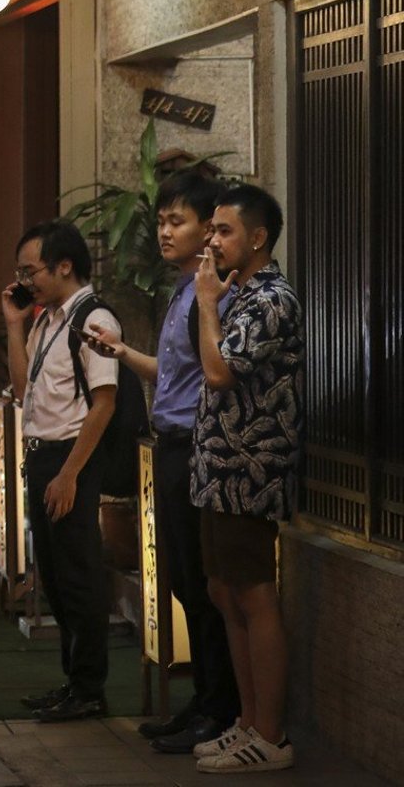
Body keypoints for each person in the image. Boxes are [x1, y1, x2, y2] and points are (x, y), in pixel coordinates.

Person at [88, 168, 239, 755]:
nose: (163, 231)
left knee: (204, 587)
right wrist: (125, 353)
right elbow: (174, 374)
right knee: (183, 584)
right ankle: (202, 703)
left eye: (177, 220)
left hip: (199, 446)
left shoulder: (216, 293)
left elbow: (216, 374)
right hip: (171, 443)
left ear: (209, 229)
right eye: (160, 220)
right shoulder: (182, 289)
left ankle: (220, 710)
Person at [190, 184, 303, 776]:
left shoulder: (270, 299)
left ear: (258, 238)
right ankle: (248, 722)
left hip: (251, 470)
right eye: (211, 229)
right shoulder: (239, 293)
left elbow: (218, 372)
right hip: (218, 470)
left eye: (224, 231)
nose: (211, 240)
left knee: (254, 593)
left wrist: (207, 303)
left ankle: (272, 734)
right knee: (223, 591)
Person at [3, 219, 118, 723]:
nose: (25, 281)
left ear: (65, 266)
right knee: (53, 574)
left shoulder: (95, 320)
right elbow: (24, 390)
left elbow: (104, 405)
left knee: (78, 576)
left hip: (73, 457)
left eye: (32, 271)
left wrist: (70, 474)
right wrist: (13, 324)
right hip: (43, 456)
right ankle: (74, 682)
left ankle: (90, 689)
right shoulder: (47, 320)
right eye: (21, 271)